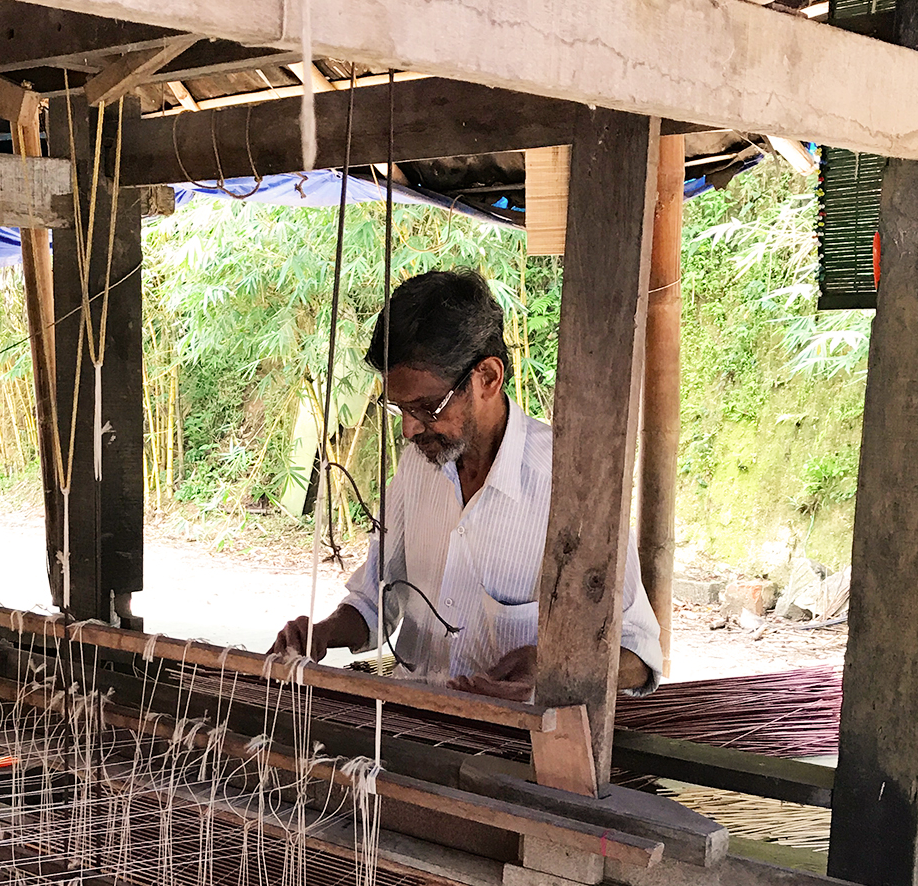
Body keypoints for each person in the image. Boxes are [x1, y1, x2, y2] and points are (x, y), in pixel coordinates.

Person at [269, 267, 662, 700]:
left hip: (514, 743)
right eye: (400, 409)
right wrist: (322, 633)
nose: (409, 430)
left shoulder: (569, 485)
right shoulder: (419, 463)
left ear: (488, 378)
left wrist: (550, 665)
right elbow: (376, 601)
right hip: (412, 724)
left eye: (426, 407)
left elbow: (639, 654)